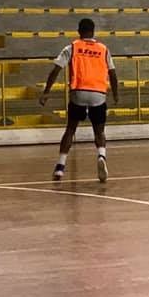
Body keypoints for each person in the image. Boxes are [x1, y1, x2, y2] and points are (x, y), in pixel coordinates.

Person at [39, 18, 119, 182]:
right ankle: (101, 156)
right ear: (93, 31)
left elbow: (55, 70)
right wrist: (116, 94)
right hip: (98, 93)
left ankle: (60, 167)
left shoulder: (72, 47)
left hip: (78, 92)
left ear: (79, 31)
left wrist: (46, 92)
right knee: (99, 131)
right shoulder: (103, 49)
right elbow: (112, 74)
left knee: (70, 129)